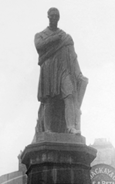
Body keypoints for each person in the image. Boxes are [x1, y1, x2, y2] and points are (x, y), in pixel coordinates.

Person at [35, 7, 88, 135]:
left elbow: (73, 56)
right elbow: (39, 46)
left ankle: (71, 127)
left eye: (56, 16)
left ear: (58, 18)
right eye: (51, 16)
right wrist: (54, 39)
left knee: (69, 94)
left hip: (64, 70)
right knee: (49, 99)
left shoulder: (65, 37)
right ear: (48, 17)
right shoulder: (40, 35)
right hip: (49, 70)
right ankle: (47, 129)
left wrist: (79, 74)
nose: (54, 18)